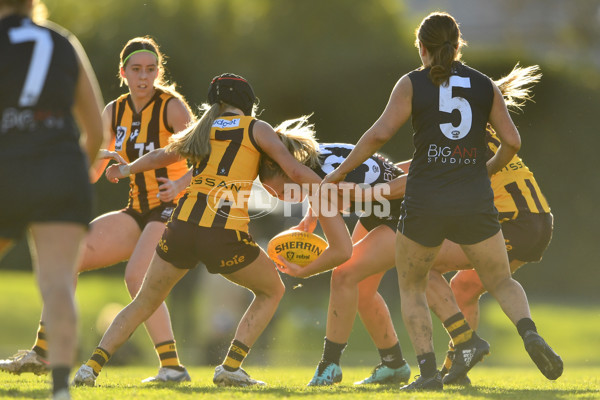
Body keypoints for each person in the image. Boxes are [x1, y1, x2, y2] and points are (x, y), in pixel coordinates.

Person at [322, 11, 563, 391]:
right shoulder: (484, 85)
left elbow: (379, 134)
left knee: (414, 283)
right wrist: (482, 170)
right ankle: (529, 332)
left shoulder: (411, 83)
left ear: (422, 48)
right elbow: (513, 142)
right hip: (475, 201)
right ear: (458, 44)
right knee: (500, 279)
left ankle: (429, 373)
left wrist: (338, 173)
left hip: (426, 203)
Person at [70, 73, 353, 387]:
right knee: (272, 290)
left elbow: (161, 155)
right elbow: (296, 170)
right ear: (247, 105)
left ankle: (89, 369)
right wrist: (331, 189)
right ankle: (230, 368)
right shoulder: (256, 128)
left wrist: (124, 169)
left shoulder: (202, 130)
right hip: (224, 233)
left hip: (181, 227)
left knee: (144, 302)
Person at [0, 36, 195, 383]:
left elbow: (209, 157)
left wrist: (180, 184)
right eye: (136, 69)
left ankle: (172, 367)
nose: (143, 77)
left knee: (137, 277)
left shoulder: (172, 107)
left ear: (159, 72)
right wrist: (87, 167)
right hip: (138, 209)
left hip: (174, 207)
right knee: (71, 256)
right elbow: (92, 168)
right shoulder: (113, 111)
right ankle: (43, 354)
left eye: (151, 70)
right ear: (123, 72)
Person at [0, 0, 105, 398]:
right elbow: (95, 130)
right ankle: (60, 388)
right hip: (63, 167)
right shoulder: (63, 42)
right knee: (59, 282)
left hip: (8, 165)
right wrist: (74, 171)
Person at [257, 117, 412, 387]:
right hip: (383, 207)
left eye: (278, 189)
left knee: (343, 275)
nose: (279, 197)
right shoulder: (312, 156)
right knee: (360, 288)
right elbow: (336, 179)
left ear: (286, 169)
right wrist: (312, 215)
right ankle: (394, 365)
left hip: (408, 211)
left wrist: (303, 271)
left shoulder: (315, 185)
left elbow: (341, 250)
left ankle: (329, 365)